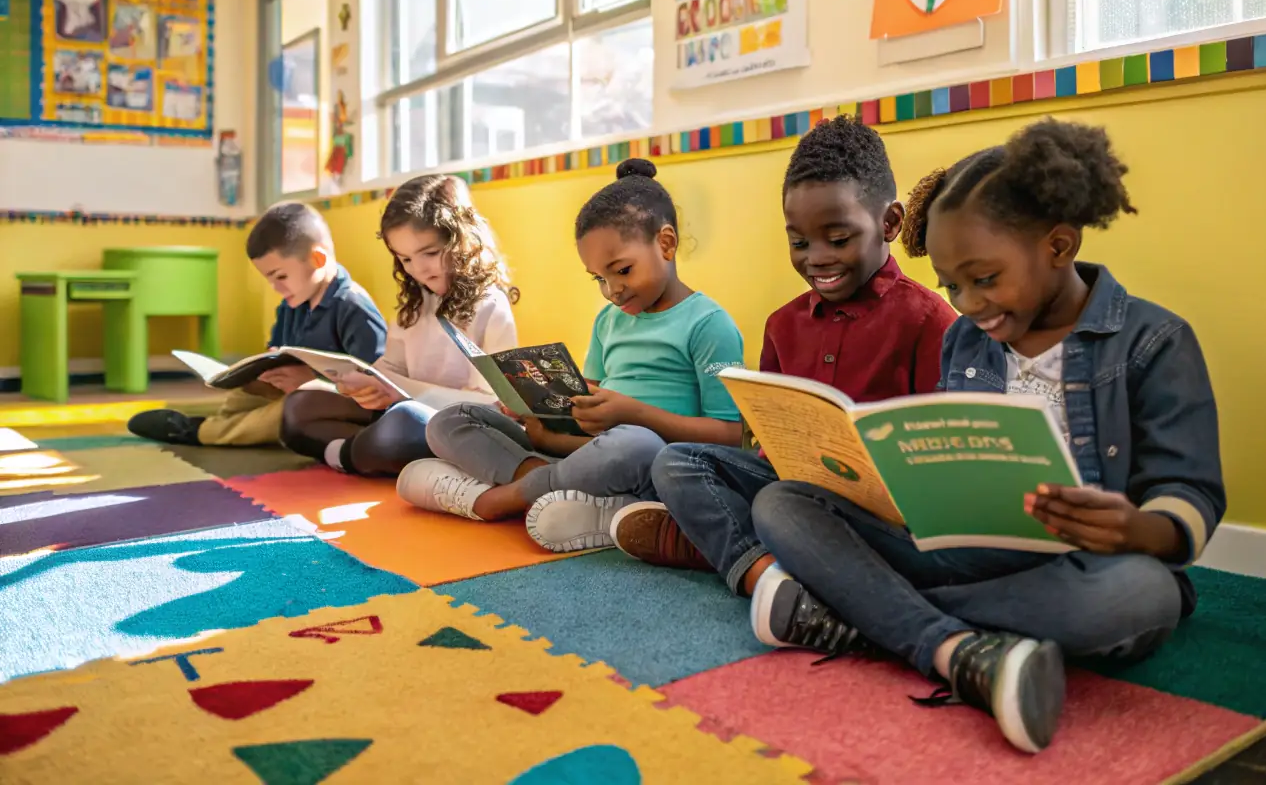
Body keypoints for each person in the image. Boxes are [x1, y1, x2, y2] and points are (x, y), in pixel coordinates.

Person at [748, 119, 1225, 755]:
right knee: (782, 501)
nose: (968, 303)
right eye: (951, 285)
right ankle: (950, 641)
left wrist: (1139, 529)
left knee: (1144, 598)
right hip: (971, 551)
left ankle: (868, 615)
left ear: (1057, 245)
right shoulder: (966, 340)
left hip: (1092, 564)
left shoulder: (1154, 341)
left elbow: (1189, 487)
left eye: (985, 279)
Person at [611, 115, 956, 598]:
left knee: (779, 503)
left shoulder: (930, 320)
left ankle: (726, 547)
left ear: (890, 223)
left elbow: (941, 459)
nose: (816, 257)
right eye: (799, 242)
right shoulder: (782, 325)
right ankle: (764, 568)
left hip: (877, 512)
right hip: (787, 484)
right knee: (675, 463)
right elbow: (762, 438)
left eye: (838, 240)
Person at [395, 158, 745, 552]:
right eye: (599, 278)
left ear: (665, 243)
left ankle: (506, 497)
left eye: (623, 270)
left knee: (635, 442)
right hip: (586, 448)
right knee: (451, 420)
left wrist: (634, 413)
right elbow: (591, 391)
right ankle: (551, 481)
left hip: (648, 461)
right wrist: (538, 410)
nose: (612, 290)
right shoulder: (609, 320)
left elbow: (733, 437)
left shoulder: (708, 324)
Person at [278, 174, 518, 475]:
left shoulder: (491, 306)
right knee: (299, 407)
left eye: (429, 253)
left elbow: (492, 405)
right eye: (405, 259)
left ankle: (346, 454)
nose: (419, 270)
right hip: (399, 411)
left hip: (456, 427)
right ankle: (353, 453)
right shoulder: (417, 304)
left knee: (401, 424)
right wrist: (362, 384)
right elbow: (390, 370)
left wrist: (399, 392)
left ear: (462, 240)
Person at [128, 202, 387, 447]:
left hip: (339, 403)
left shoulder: (354, 307)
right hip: (296, 389)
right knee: (248, 388)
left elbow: (375, 388)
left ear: (318, 260)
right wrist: (264, 368)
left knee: (287, 410)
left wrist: (312, 381)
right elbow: (281, 352)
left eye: (281, 276)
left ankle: (200, 431)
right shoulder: (293, 302)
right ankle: (230, 425)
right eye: (269, 279)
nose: (275, 287)